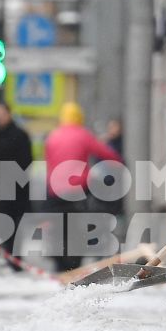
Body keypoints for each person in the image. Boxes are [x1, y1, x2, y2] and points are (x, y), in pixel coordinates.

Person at [42, 101, 122, 272]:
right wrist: (118, 161)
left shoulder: (53, 136)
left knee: (58, 225)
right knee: (77, 225)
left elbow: (49, 162)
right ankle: (74, 262)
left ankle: (59, 261)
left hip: (54, 189)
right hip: (78, 188)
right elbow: (104, 153)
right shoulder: (83, 134)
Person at [0, 100, 34, 267]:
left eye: (2, 114)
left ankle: (14, 259)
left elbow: (27, 161)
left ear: (9, 114)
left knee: (15, 225)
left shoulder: (20, 135)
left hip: (16, 188)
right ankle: (5, 256)